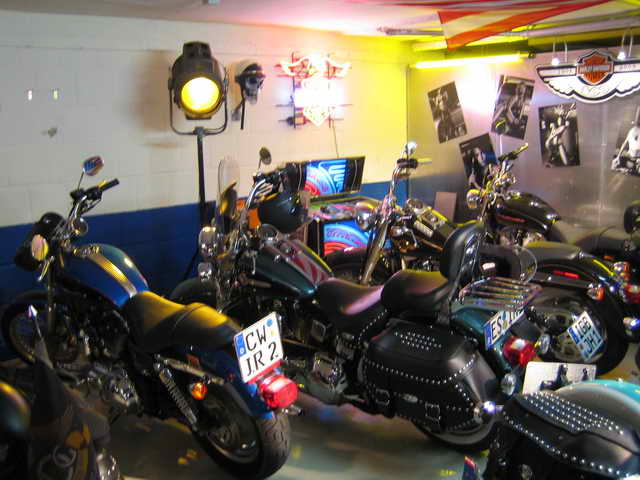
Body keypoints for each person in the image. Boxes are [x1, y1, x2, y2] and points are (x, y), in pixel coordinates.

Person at [612, 109, 640, 175]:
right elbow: (624, 143)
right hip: (630, 155)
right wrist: (618, 156)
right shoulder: (632, 130)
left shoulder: (634, 130)